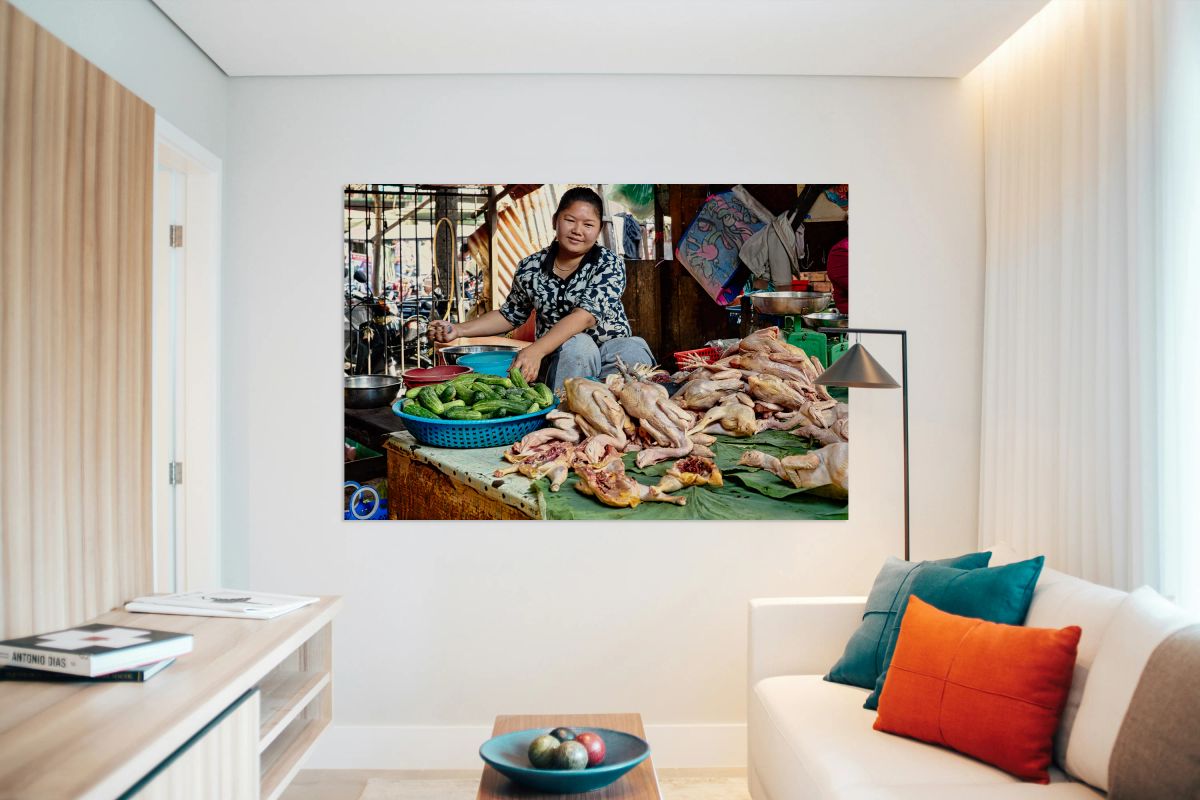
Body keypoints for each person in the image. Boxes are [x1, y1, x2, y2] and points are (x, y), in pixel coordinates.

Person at [428, 187, 654, 390]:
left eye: (588, 225)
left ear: (599, 229)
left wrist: (536, 349)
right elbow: (510, 315)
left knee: (632, 347)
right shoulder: (530, 267)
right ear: (555, 220)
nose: (577, 230)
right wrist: (459, 329)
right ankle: (563, 414)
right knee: (579, 346)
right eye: (570, 220)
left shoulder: (608, 263)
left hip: (610, 356)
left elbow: (585, 317)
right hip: (562, 358)